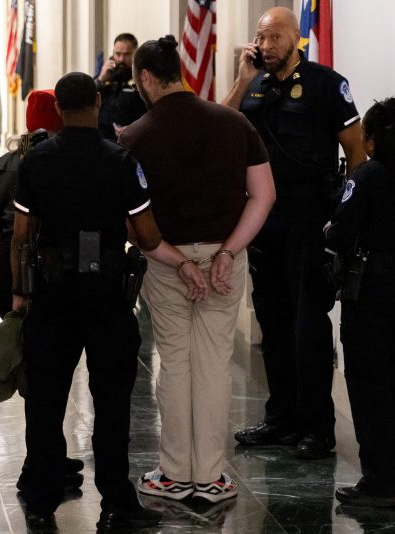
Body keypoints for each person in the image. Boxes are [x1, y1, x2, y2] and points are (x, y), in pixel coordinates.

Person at [10, 71, 207, 531]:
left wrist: (22, 295)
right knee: (113, 403)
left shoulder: (35, 162)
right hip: (105, 298)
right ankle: (117, 501)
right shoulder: (120, 162)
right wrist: (183, 263)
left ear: (58, 109)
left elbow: (22, 238)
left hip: (53, 297)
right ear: (97, 102)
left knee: (45, 401)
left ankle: (40, 499)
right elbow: (147, 234)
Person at [118, 35, 275, 503]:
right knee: (212, 365)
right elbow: (264, 196)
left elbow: (133, 223)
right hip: (226, 260)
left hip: (166, 263)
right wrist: (226, 253)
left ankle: (174, 473)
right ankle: (210, 476)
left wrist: (179, 260)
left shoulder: (134, 136)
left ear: (146, 78)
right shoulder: (235, 123)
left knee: (176, 362)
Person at [221, 6, 367, 459]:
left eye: (272, 37)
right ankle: (280, 417)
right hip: (265, 223)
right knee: (273, 323)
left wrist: (345, 219)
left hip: (310, 222)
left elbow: (357, 152)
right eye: (260, 37)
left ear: (296, 38)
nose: (264, 45)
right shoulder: (255, 85)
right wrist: (243, 80)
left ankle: (316, 427)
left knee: (308, 328)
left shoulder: (325, 83)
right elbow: (221, 131)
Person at [325, 97, 395, 507]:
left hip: (370, 286)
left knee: (367, 381)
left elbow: (339, 232)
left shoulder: (366, 176)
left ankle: (378, 481)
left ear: (370, 140)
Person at [0, 89, 62, 318]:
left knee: (14, 346)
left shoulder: (6, 162)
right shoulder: (62, 164)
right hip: (49, 265)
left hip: (5, 264)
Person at [94, 33, 147, 140]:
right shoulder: (105, 75)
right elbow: (86, 99)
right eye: (118, 54)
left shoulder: (143, 79)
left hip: (130, 140)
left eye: (127, 54)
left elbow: (151, 113)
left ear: (135, 54)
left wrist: (134, 129)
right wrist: (100, 80)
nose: (121, 59)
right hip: (102, 138)